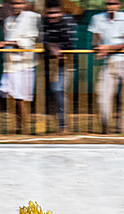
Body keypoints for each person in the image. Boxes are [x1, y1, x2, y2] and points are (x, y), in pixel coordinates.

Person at [0, 0, 41, 134]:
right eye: (14, 3)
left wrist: (5, 43)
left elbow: (28, 42)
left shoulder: (32, 17)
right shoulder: (8, 21)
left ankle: (24, 127)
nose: (16, 6)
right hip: (10, 64)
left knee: (22, 98)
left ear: (26, 4)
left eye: (19, 3)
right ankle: (20, 126)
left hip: (25, 63)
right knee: (11, 96)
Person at [89, 0, 124, 133]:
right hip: (107, 62)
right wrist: (99, 48)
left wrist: (107, 48)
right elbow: (95, 41)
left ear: (120, 5)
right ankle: (106, 131)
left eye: (114, 3)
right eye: (108, 3)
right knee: (102, 97)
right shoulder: (97, 18)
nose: (111, 6)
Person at [42, 0, 78, 132]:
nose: (53, 16)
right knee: (52, 94)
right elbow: (44, 40)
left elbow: (69, 44)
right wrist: (51, 47)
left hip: (66, 64)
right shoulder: (44, 22)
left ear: (61, 12)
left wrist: (54, 47)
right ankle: (57, 125)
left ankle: (63, 126)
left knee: (58, 90)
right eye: (50, 13)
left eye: (56, 12)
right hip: (49, 65)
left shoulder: (68, 22)